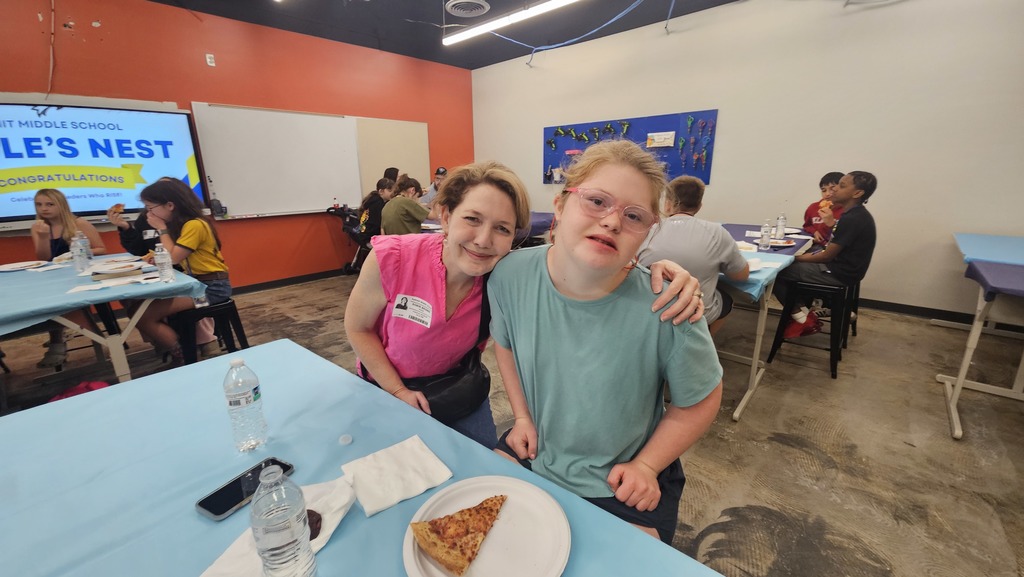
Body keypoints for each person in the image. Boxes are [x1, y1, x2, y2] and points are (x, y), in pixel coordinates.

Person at [345, 160, 705, 449]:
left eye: (502, 229)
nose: (484, 240)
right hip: (383, 388)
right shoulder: (393, 259)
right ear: (445, 216)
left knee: (476, 485)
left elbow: (576, 263)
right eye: (472, 219)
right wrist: (396, 391)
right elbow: (358, 327)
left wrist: (656, 269)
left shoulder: (502, 275)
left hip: (457, 392)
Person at [488, 140, 724, 544]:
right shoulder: (509, 276)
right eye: (596, 201)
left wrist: (648, 466)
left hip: (623, 476)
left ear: (648, 234)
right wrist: (522, 417)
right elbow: (504, 345)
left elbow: (701, 398)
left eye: (634, 215)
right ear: (561, 206)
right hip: (537, 451)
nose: (612, 221)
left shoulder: (670, 307)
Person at [135, 179, 232, 366]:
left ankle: (183, 355)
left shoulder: (195, 225)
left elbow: (172, 258)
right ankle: (183, 349)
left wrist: (161, 229)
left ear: (170, 205)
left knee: (144, 316)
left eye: (150, 207)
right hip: (198, 285)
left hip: (212, 289)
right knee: (139, 309)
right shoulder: (187, 224)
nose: (149, 213)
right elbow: (173, 254)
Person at [638, 175, 749, 336]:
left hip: (649, 308)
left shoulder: (646, 230)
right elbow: (740, 275)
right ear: (699, 206)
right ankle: (704, 340)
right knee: (726, 298)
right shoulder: (717, 233)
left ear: (667, 204)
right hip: (697, 310)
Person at [774, 171, 877, 338]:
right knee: (792, 265)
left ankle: (803, 318)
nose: (834, 189)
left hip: (839, 272)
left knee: (777, 272)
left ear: (857, 193)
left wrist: (790, 258)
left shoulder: (853, 218)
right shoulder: (853, 214)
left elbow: (825, 256)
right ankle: (808, 310)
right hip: (841, 268)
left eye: (841, 186)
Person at [30, 188, 108, 367]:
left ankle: (93, 337)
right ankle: (57, 339)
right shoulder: (39, 227)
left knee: (65, 300)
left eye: (50, 204)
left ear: (61, 205)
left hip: (80, 274)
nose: (44, 209)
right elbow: (43, 258)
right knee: (48, 298)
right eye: (39, 205)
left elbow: (101, 249)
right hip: (53, 277)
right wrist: (42, 237)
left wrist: (76, 253)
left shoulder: (78, 223)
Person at [803, 172, 845, 246]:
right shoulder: (813, 207)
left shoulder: (847, 211)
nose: (827, 194)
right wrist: (814, 232)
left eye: (832, 189)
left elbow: (845, 236)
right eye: (824, 190)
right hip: (817, 246)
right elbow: (807, 226)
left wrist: (832, 224)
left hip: (836, 248)